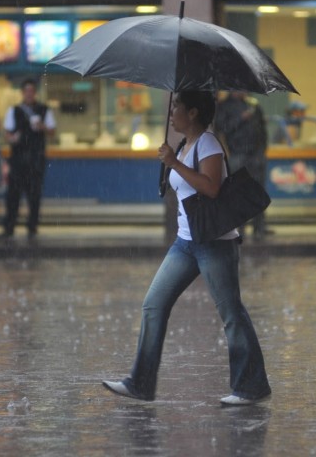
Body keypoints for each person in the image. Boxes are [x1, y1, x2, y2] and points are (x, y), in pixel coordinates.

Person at [103, 91, 271, 406]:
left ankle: (251, 386)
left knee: (231, 312)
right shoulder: (184, 144)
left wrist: (174, 163)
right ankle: (140, 382)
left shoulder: (207, 143)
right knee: (154, 304)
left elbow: (211, 187)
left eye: (177, 106)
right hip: (185, 242)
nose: (172, 112)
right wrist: (172, 162)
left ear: (193, 113)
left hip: (213, 243)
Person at [0, 78, 56, 242]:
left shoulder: (44, 110)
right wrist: (13, 138)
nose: (29, 94)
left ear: (35, 93)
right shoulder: (14, 111)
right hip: (18, 159)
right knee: (13, 195)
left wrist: (42, 127)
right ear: (22, 93)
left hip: (36, 160)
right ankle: (9, 228)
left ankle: (32, 227)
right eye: (26, 91)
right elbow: (7, 133)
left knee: (34, 195)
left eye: (32, 91)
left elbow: (52, 131)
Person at [213, 91, 269, 239]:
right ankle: (240, 227)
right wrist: (241, 119)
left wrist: (262, 150)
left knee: (258, 191)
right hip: (237, 153)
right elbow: (222, 128)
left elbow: (262, 129)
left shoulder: (253, 104)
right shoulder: (224, 107)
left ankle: (259, 226)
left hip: (256, 154)